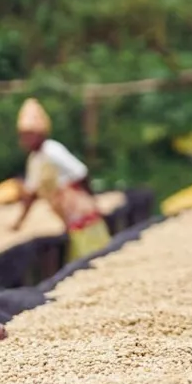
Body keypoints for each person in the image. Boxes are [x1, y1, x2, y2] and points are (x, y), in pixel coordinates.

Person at [11, 98, 112, 262]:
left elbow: (81, 172)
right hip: (68, 217)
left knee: (95, 257)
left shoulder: (52, 150)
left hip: (81, 213)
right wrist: (19, 223)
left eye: (28, 135)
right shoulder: (35, 159)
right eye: (22, 136)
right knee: (81, 258)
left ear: (40, 134)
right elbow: (31, 194)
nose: (24, 141)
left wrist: (92, 200)